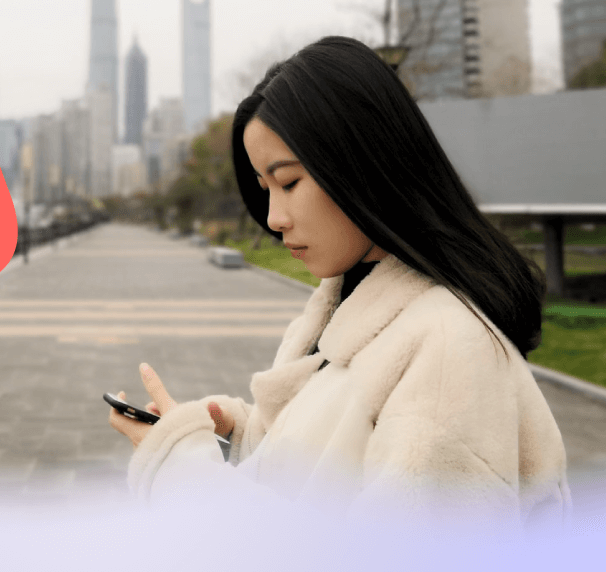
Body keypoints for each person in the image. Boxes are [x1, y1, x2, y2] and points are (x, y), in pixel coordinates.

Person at [108, 36, 571, 537]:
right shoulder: (343, 310)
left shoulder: (448, 349)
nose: (274, 218)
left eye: (289, 182)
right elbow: (335, 467)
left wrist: (183, 469)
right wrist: (232, 436)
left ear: (361, 163)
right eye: (265, 190)